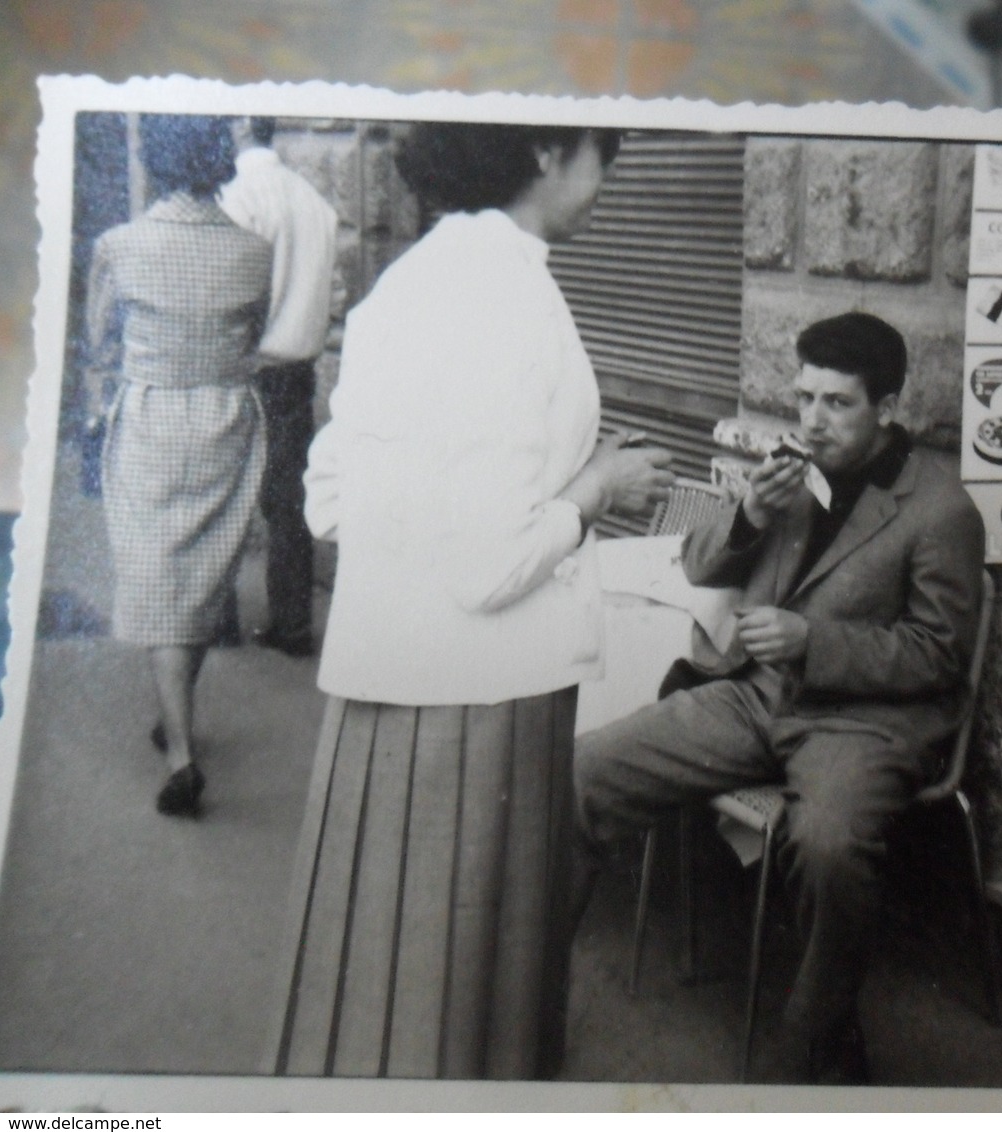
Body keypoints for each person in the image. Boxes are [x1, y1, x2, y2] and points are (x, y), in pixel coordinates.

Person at [295, 121, 674, 1078]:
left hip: (387, 699)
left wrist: (506, 493)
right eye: (604, 157)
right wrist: (594, 492)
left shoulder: (414, 278)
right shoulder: (505, 292)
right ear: (547, 151)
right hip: (481, 707)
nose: (607, 183)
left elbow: (328, 498)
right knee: (468, 994)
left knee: (382, 982)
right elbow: (488, 562)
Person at [573, 311, 988, 1083]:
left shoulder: (941, 509)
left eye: (838, 404)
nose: (812, 421)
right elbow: (696, 568)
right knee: (587, 769)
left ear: (887, 408)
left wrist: (813, 642)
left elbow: (941, 656)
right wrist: (750, 513)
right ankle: (528, 984)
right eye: (804, 399)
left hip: (860, 725)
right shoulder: (792, 474)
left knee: (829, 849)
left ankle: (821, 1039)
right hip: (755, 698)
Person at [83, 113, 273, 819]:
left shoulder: (119, 245)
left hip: (153, 420)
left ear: (153, 160)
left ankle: (181, 752)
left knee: (157, 575)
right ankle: (177, 713)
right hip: (225, 419)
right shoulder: (254, 250)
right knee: (199, 579)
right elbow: (255, 329)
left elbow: (100, 340)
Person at [217, 116, 339, 658]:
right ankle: (292, 625)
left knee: (222, 495)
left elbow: (230, 291)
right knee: (288, 501)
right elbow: (335, 292)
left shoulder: (235, 197)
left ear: (239, 130)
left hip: (246, 367)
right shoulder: (314, 200)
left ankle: (216, 620)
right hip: (298, 370)